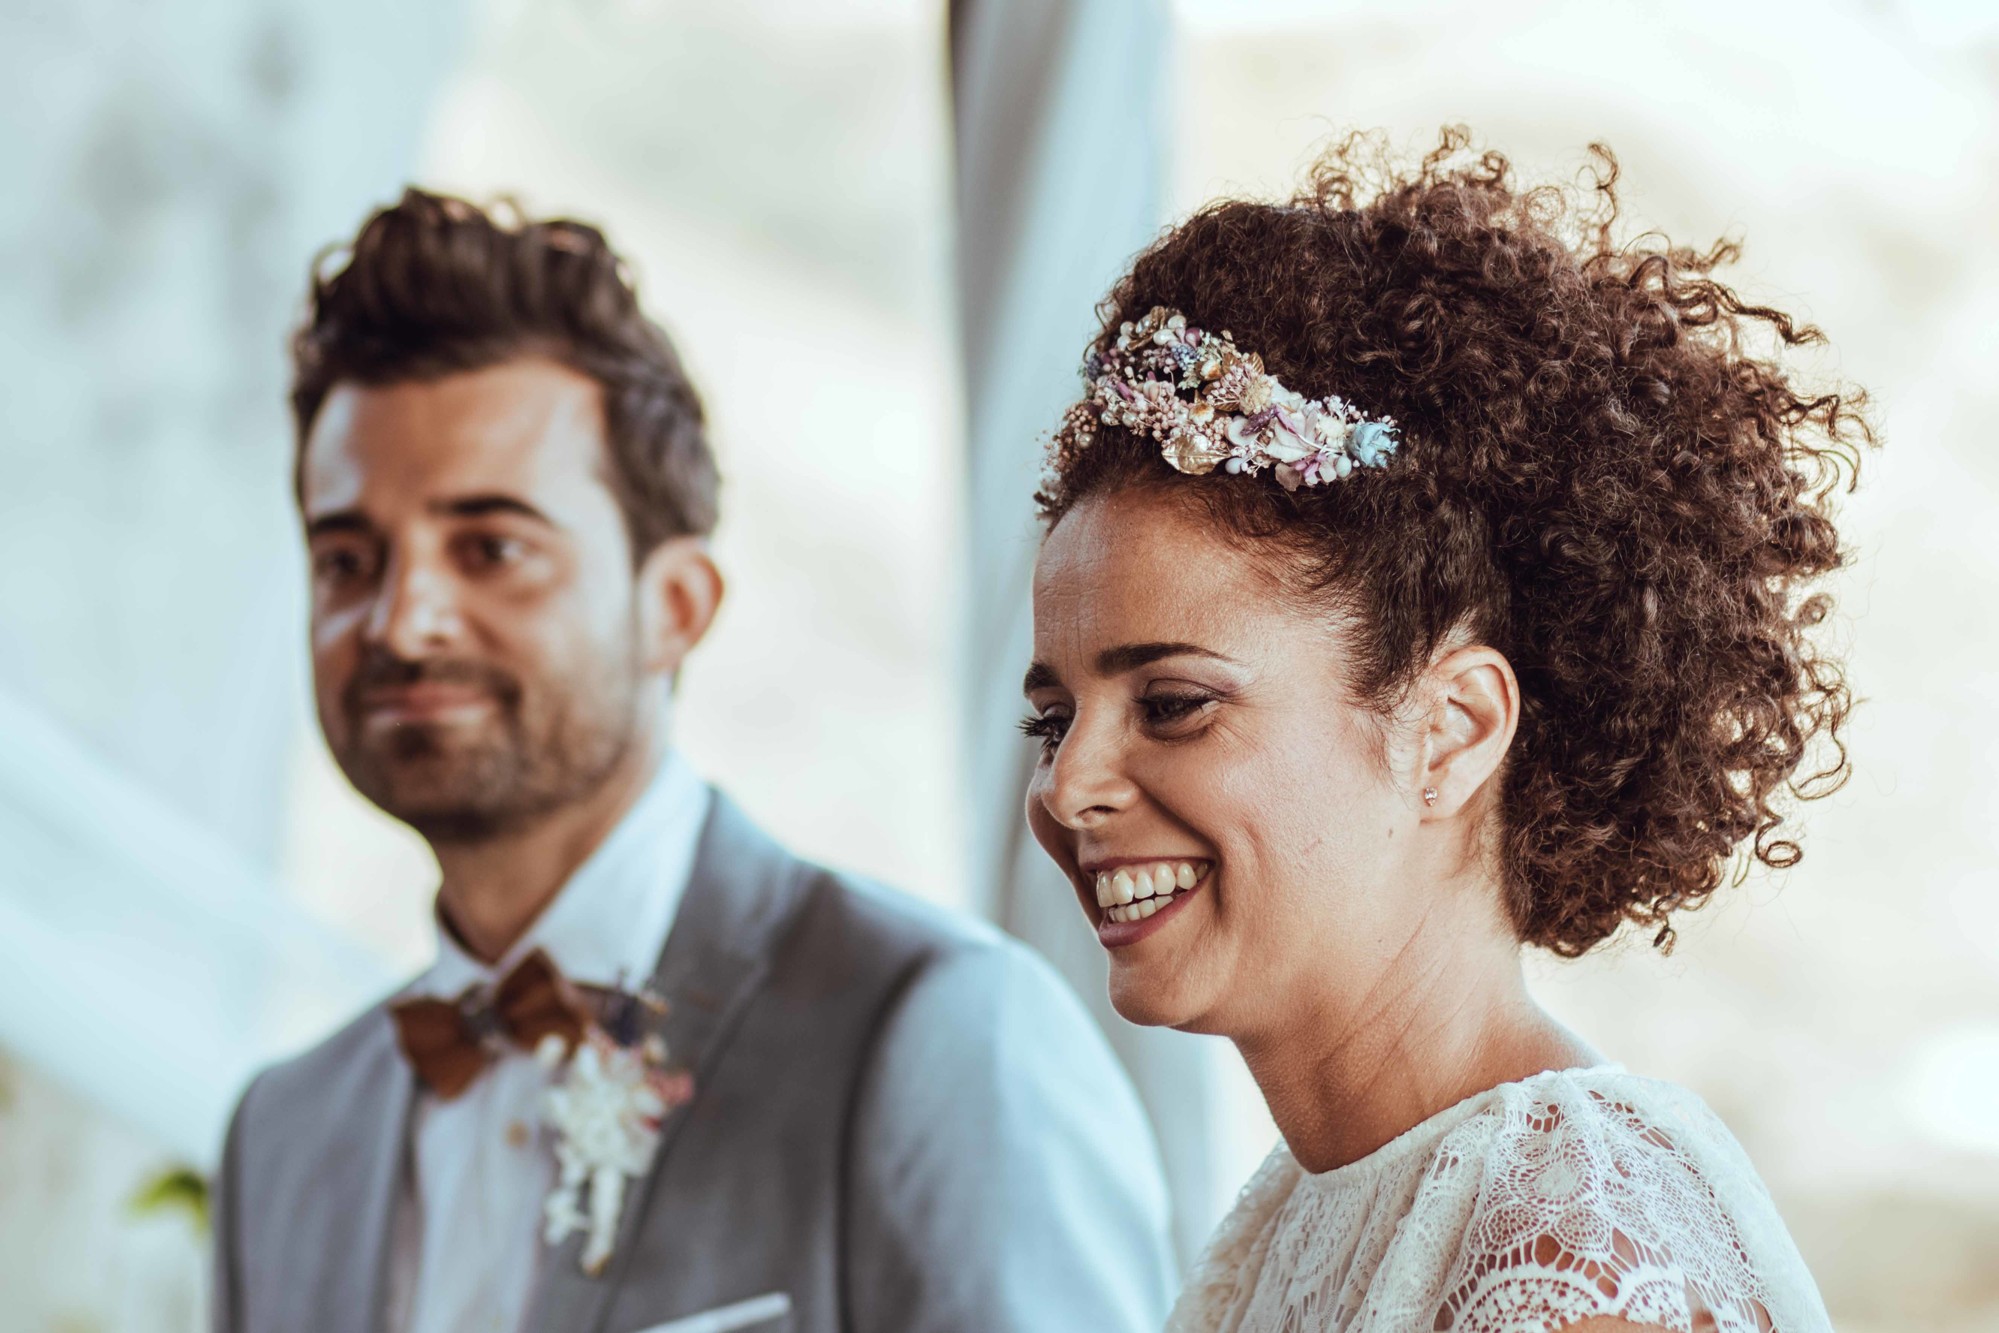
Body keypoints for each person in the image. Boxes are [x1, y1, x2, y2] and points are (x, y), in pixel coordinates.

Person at [210, 189, 1174, 1333]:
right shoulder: (280, 1135)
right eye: (348, 558)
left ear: (674, 604)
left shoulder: (943, 1034)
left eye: (491, 548)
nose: (402, 619)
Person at [1019, 129, 1866, 1333]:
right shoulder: (1309, 1210)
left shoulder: (1572, 1256)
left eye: (1172, 705)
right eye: (1049, 717)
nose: (1068, 787)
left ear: (1452, 729)